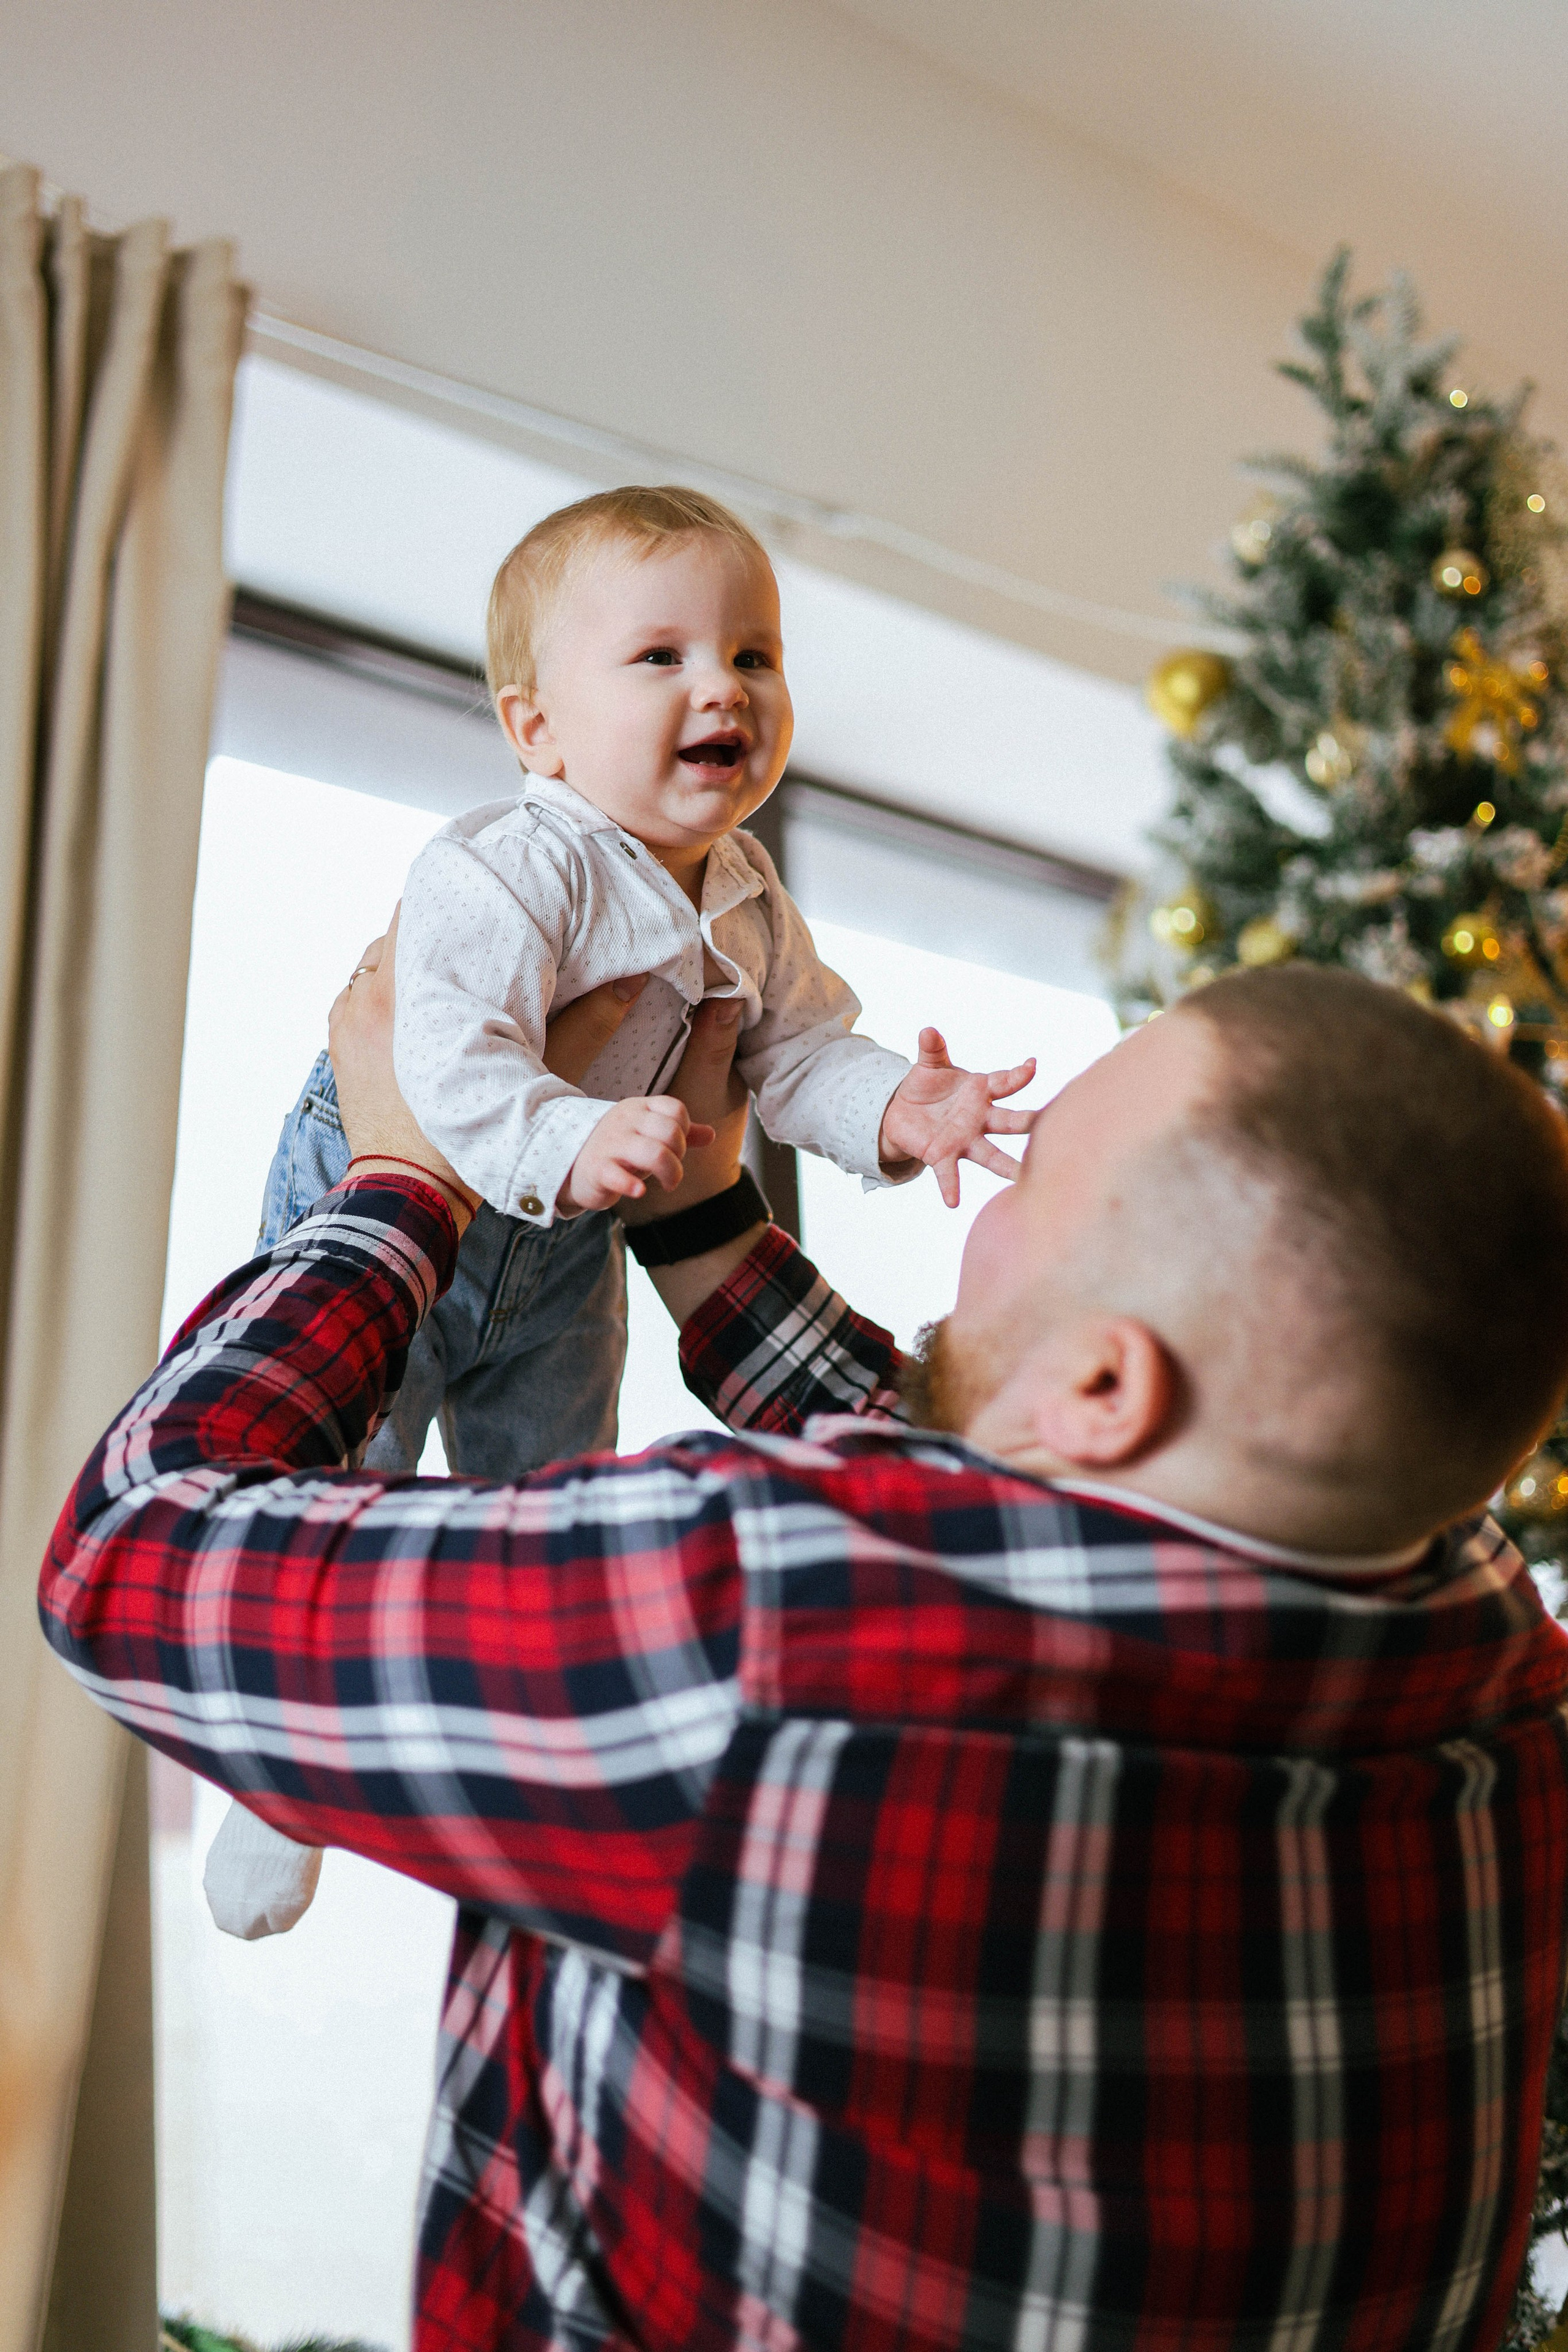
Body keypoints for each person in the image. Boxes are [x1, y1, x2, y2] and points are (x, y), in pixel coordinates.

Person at [40, 938, 1568, 2352]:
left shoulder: (776, 1647)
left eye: (1031, 1186)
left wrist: (394, 1186)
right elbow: (1047, 1504)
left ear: (1106, 1386)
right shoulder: (1484, 1649)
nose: (994, 1222)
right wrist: (707, 1219)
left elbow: (132, 1549)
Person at [204, 481, 1035, 1940]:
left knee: (548, 1497)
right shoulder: (504, 865)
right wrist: (572, 1131)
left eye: (753, 655)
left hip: (570, 1245)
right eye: (661, 657)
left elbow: (796, 1054)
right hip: (410, 1208)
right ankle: (280, 1769)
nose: (724, 687)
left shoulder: (749, 895)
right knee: (350, 1476)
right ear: (537, 730)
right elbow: (440, 1056)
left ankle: (516, 1756)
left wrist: (895, 1112)